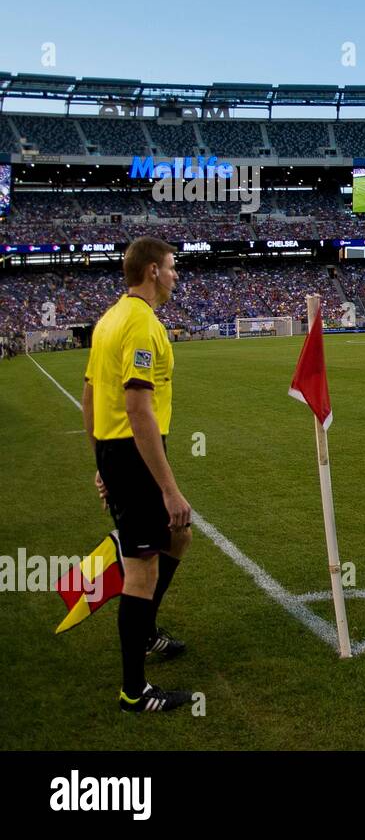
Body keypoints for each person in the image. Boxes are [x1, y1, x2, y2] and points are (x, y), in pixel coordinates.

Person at [82, 237, 193, 714]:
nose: (175, 275)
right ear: (151, 270)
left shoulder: (109, 319)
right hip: (135, 452)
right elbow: (137, 407)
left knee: (179, 537)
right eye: (171, 268)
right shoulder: (142, 325)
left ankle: (145, 632)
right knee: (142, 569)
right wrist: (168, 488)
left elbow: (89, 395)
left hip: (117, 452)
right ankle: (134, 691)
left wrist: (99, 461)